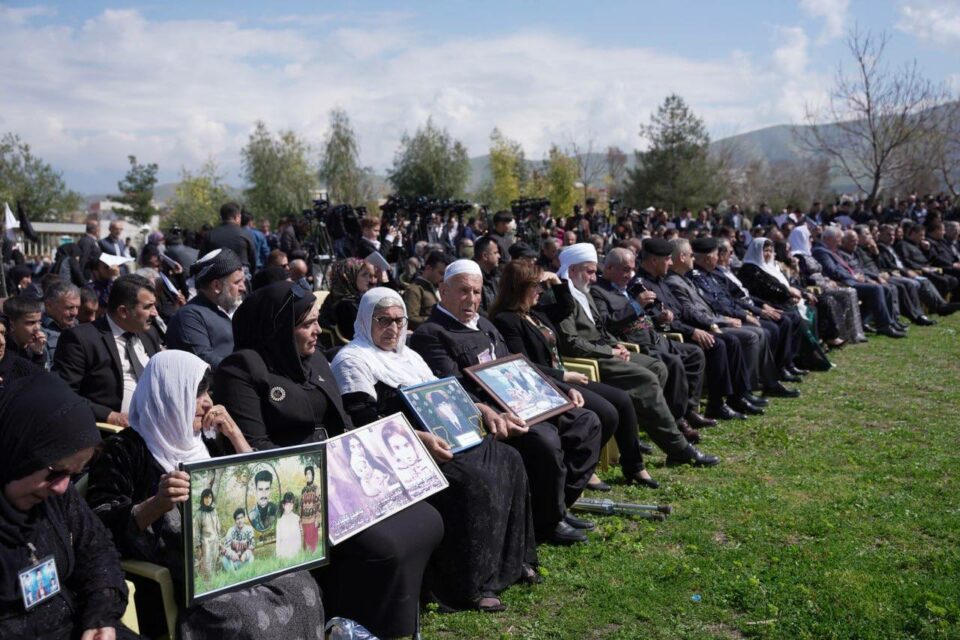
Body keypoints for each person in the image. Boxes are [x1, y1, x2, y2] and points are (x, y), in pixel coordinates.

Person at [215, 280, 442, 638]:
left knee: (426, 518)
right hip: (295, 490)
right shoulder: (241, 370)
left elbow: (345, 425)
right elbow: (257, 451)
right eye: (307, 324)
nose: (318, 331)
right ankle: (355, 624)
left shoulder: (315, 359)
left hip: (341, 476)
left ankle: (394, 622)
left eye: (317, 321)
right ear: (277, 329)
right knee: (384, 545)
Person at [85, 349, 325, 639]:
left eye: (207, 392)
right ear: (169, 394)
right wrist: (157, 503)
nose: (208, 403)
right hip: (189, 577)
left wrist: (235, 435)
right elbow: (99, 524)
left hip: (241, 556)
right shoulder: (124, 450)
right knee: (249, 622)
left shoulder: (205, 441)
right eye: (196, 394)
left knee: (304, 588)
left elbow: (257, 489)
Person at [331, 287, 539, 611]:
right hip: (401, 450)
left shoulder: (410, 356)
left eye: (399, 321)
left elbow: (446, 396)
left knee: (509, 459)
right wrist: (419, 438)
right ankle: (469, 584)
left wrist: (480, 408)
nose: (394, 328)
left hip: (444, 442)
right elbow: (364, 421)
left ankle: (509, 563)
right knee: (473, 482)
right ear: (365, 320)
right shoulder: (353, 360)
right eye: (383, 320)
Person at [409, 260, 603, 545]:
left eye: (476, 292)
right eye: (463, 291)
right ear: (443, 291)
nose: (472, 299)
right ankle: (549, 520)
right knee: (546, 441)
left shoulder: (484, 323)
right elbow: (451, 390)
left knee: (588, 422)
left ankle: (554, 507)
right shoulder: (432, 333)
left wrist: (559, 388)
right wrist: (490, 412)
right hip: (491, 414)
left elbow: (519, 368)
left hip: (525, 401)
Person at [489, 260, 660, 488]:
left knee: (623, 400)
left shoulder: (534, 313)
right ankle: (582, 468)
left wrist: (558, 283)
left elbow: (565, 307)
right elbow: (521, 365)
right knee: (606, 413)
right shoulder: (506, 320)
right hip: (543, 382)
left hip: (561, 376)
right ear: (520, 288)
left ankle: (634, 466)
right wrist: (563, 377)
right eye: (535, 287)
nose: (540, 290)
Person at [552, 244, 720, 466]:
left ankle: (631, 430)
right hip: (590, 360)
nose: (594, 278)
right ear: (572, 271)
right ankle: (678, 448)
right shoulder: (564, 297)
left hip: (605, 351)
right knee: (646, 379)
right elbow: (571, 343)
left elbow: (600, 329)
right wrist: (609, 350)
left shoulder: (582, 292)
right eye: (590, 271)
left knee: (658, 367)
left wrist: (616, 346)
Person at [0, 372, 134, 640]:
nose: (62, 487)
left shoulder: (55, 496)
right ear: (16, 454)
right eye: (55, 472)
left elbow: (97, 552)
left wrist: (99, 617)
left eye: (72, 475)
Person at [591, 248, 713, 430]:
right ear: (608, 268)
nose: (629, 274)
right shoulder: (599, 292)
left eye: (631, 269)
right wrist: (636, 304)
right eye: (624, 269)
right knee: (674, 363)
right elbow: (608, 323)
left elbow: (644, 317)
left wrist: (660, 318)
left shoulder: (627, 288)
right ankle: (677, 420)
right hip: (636, 344)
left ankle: (690, 409)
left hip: (655, 337)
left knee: (694, 354)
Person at [636, 238, 755, 421]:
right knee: (718, 345)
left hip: (679, 330)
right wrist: (692, 331)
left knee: (723, 341)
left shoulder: (661, 281)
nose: (670, 262)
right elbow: (660, 322)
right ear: (654, 261)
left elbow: (683, 310)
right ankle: (705, 406)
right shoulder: (642, 285)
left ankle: (725, 399)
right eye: (667, 259)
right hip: (667, 335)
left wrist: (708, 325)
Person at [53, 274, 162, 425]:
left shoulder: (149, 333)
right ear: (123, 311)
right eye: (148, 307)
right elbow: (63, 393)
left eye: (154, 305)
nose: (155, 313)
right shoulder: (81, 339)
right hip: (111, 434)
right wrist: (110, 416)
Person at [166, 249, 246, 367]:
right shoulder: (189, 316)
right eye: (237, 282)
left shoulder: (234, 307)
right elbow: (203, 359)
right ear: (216, 286)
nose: (243, 288)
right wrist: (243, 372)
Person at [789, 224, 865, 344]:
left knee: (849, 291)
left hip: (824, 284)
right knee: (846, 293)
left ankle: (854, 332)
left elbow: (819, 271)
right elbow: (804, 278)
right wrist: (823, 284)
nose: (812, 240)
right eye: (809, 238)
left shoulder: (807, 254)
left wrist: (827, 279)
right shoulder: (797, 256)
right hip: (814, 288)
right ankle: (846, 334)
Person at [318, 258, 374, 341]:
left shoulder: (342, 295)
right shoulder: (346, 305)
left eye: (369, 275)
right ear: (349, 277)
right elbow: (356, 336)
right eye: (364, 275)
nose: (369, 280)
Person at [200, 203, 257, 273]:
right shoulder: (245, 234)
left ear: (222, 217)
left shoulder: (210, 235)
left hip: (218, 276)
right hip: (241, 276)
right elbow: (253, 260)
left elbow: (202, 260)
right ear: (236, 217)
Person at [402, 250, 451, 329]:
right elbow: (410, 319)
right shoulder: (414, 290)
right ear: (428, 268)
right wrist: (439, 320)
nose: (443, 278)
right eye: (441, 273)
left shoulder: (441, 288)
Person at [1, 295, 47, 369]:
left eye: (39, 322)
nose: (37, 328)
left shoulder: (36, 347)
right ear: (12, 325)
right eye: (31, 323)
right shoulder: (3, 351)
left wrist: (38, 354)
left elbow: (40, 378)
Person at [275, 492, 302, 559]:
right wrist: (278, 554)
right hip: (284, 553)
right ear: (283, 505)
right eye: (287, 504)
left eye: (291, 504)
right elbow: (278, 540)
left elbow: (298, 537)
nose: (290, 506)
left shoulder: (296, 518)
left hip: (295, 552)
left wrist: (298, 550)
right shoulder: (280, 521)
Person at [300, 467, 320, 553]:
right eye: (306, 474)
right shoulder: (303, 490)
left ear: (312, 475)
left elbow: (318, 505)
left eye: (309, 473)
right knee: (305, 547)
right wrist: (300, 520)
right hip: (304, 521)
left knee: (312, 547)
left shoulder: (316, 488)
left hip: (312, 521)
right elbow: (301, 506)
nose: (307, 475)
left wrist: (317, 519)